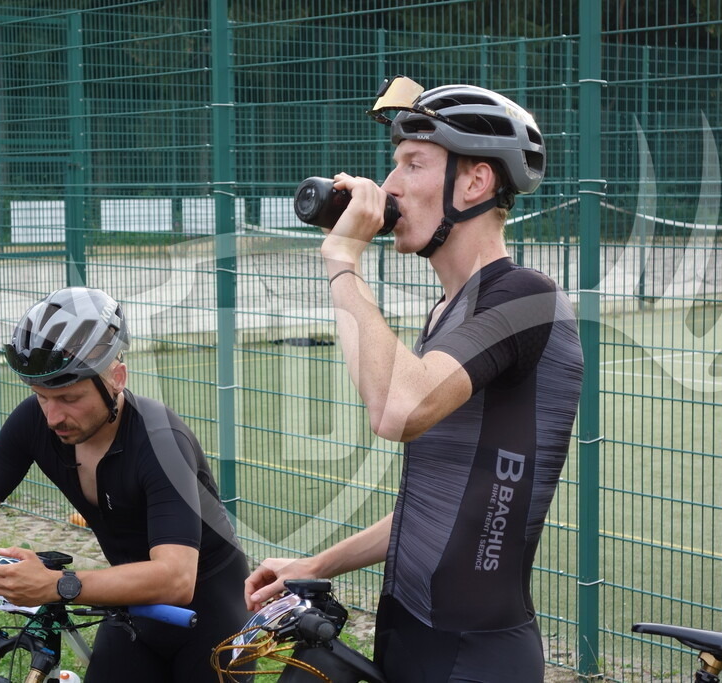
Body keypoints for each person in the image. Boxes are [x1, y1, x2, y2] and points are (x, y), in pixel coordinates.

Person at [244, 77, 584, 681]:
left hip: (475, 656)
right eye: (392, 164)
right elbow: (437, 504)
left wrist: (342, 263)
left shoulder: (527, 297)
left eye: (412, 163)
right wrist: (317, 563)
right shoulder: (446, 314)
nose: (391, 185)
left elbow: (397, 412)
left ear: (475, 182)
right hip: (410, 634)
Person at [0, 286, 252, 683]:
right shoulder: (35, 420)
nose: (53, 416)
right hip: (129, 602)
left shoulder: (161, 442)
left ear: (116, 378)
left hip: (210, 610)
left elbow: (176, 579)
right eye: (41, 397)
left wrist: (56, 585)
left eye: (69, 397)